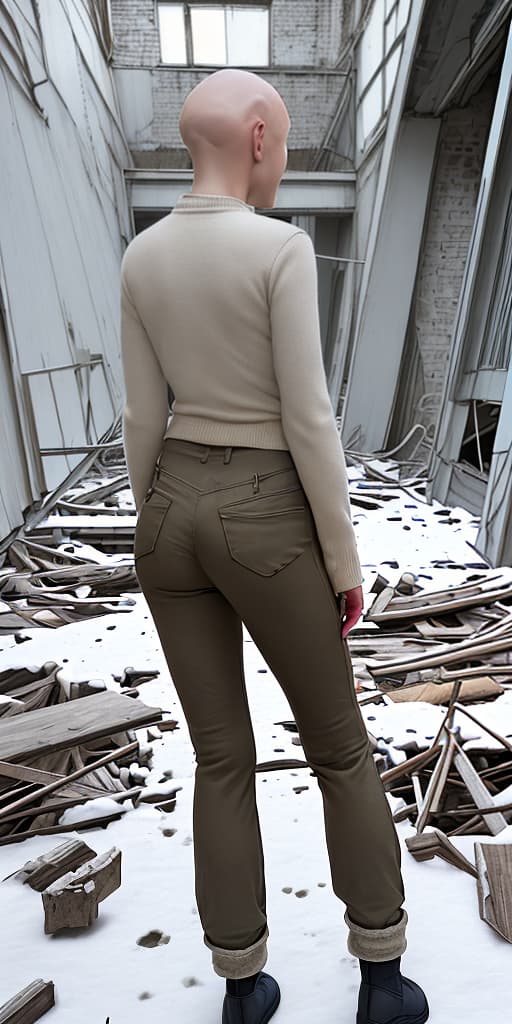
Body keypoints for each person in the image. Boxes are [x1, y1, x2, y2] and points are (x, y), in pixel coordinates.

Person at [119, 67, 429, 1024]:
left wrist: (159, 516)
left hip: (170, 510)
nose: (285, 159)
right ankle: (381, 973)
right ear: (256, 137)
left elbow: (141, 416)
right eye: (285, 141)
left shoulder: (142, 256)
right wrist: (342, 561)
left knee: (220, 757)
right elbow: (310, 419)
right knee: (339, 747)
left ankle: (242, 984)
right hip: (267, 512)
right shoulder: (281, 250)